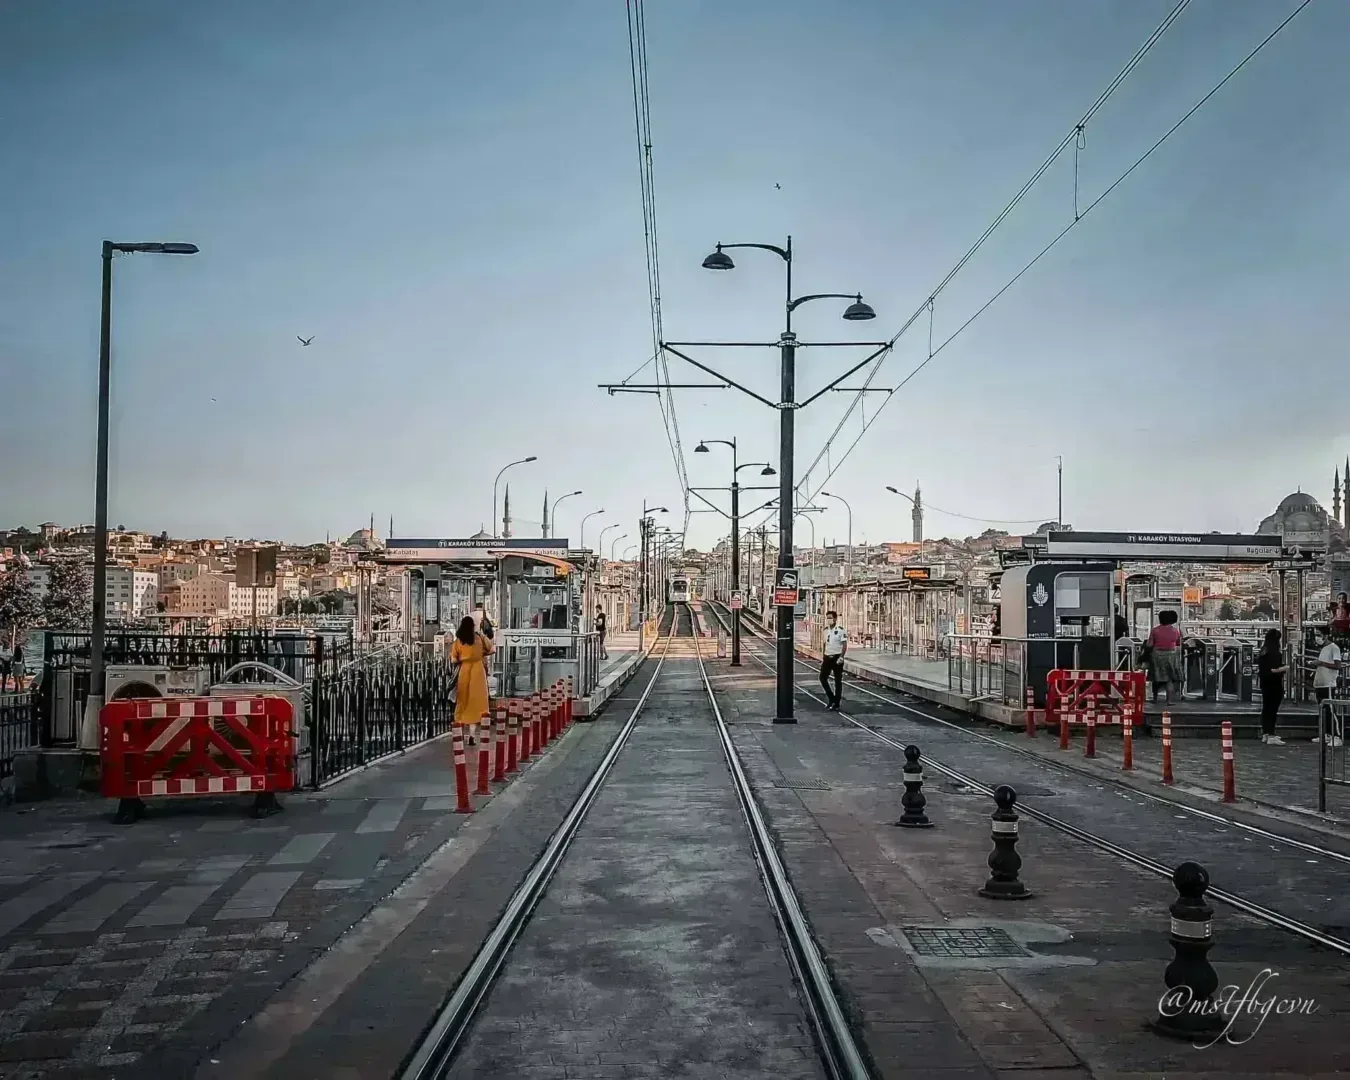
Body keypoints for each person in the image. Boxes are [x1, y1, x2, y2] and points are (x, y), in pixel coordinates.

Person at [451, 615, 493, 747]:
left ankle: (459, 734)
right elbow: (492, 649)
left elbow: (453, 659)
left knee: (462, 700)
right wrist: (480, 654)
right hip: (478, 671)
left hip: (464, 671)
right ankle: (472, 736)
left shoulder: (458, 641)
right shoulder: (479, 638)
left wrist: (463, 658)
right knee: (476, 703)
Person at [1311, 625, 1343, 747]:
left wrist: (1321, 663)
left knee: (1330, 710)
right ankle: (1326, 734)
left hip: (1328, 684)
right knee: (1322, 710)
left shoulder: (1333, 648)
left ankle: (1337, 735)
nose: (1317, 637)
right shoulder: (1323, 649)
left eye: (1318, 634)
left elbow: (1338, 665)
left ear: (1325, 635)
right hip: (1320, 683)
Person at [1256, 627, 1287, 746]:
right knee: (1272, 710)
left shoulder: (1264, 650)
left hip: (1265, 682)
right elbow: (1274, 669)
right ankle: (1271, 734)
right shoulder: (1274, 652)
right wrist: (1285, 668)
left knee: (1266, 708)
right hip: (1274, 683)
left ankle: (1266, 733)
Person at [1145, 610, 1182, 704]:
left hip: (1157, 656)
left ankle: (1155, 699)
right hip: (1171, 656)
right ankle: (1169, 701)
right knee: (1169, 680)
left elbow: (1149, 644)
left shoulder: (1155, 630)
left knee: (1156, 678)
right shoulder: (1175, 631)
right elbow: (1178, 643)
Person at [820, 610, 847, 711]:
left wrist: (841, 657)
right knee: (822, 678)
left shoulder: (841, 630)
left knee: (837, 681)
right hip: (827, 656)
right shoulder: (825, 630)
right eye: (827, 618)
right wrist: (823, 655)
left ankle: (837, 703)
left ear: (835, 618)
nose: (829, 620)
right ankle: (831, 698)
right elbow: (824, 643)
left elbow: (844, 645)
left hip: (837, 657)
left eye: (831, 617)